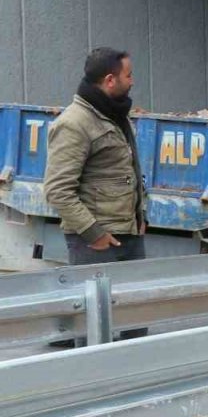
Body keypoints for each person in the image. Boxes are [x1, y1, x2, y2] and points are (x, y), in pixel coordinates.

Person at [44, 47, 148, 265]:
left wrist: (141, 216)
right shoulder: (74, 123)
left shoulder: (116, 115)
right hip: (96, 244)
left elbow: (130, 170)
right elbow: (58, 191)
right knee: (96, 300)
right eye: (128, 76)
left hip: (129, 234)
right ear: (110, 80)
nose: (132, 82)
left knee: (136, 300)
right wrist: (95, 234)